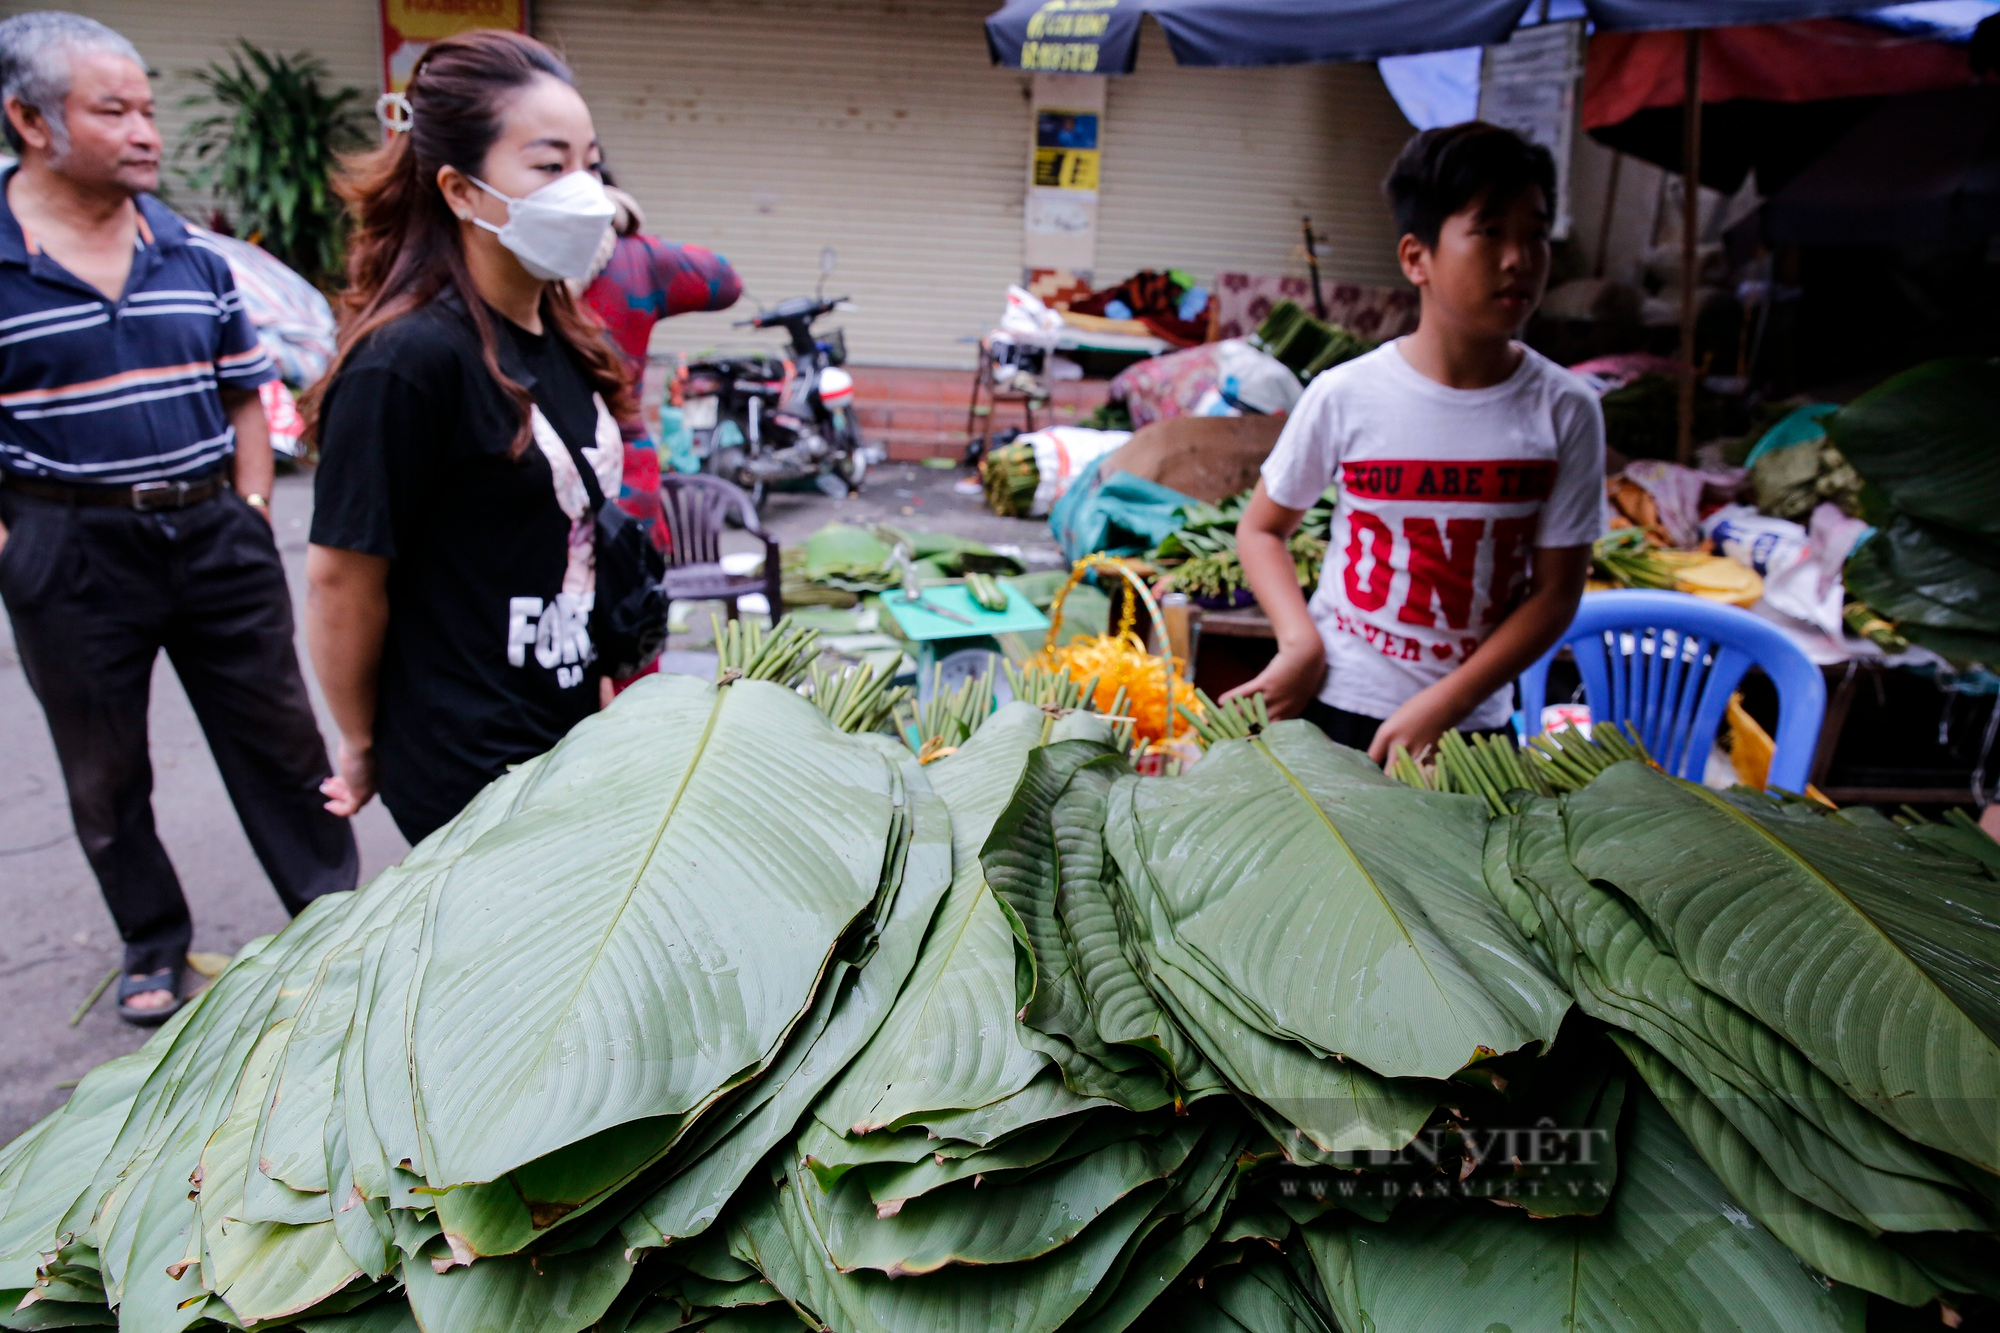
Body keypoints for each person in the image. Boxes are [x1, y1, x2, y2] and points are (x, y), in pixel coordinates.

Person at [0, 12, 357, 1024]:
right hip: (68, 547)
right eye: (113, 110)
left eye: (147, 108)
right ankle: (151, 940)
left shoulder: (190, 254)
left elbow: (248, 394)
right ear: (30, 119)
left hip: (212, 530)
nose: (146, 131)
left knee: (282, 744)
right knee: (105, 770)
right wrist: (18, 550)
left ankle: (332, 920)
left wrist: (248, 508)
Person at [305, 29, 634, 845]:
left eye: (590, 163)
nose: (584, 190)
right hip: (468, 766)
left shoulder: (559, 328)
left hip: (565, 736)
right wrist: (360, 740)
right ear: (460, 190)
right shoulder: (408, 362)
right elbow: (343, 580)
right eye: (549, 166)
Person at [1227, 122, 1604, 763]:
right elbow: (1262, 529)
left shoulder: (1566, 409)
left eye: (1536, 234)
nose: (1520, 258)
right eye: (1489, 231)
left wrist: (1447, 704)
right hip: (1336, 698)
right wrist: (1300, 644)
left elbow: (1557, 592)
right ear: (1416, 258)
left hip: (1470, 724)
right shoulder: (1345, 393)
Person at [578, 162, 740, 545]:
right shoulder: (635, 259)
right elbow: (724, 280)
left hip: (595, 486)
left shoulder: (489, 266)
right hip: (622, 486)